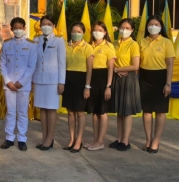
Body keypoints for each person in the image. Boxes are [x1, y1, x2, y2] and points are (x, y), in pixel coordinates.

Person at [139, 15, 175, 154]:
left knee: (160, 112)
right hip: (145, 77)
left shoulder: (166, 42)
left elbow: (170, 64)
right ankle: (148, 139)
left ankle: (156, 141)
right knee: (146, 111)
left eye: (156, 24)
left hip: (161, 78)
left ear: (161, 27)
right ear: (147, 26)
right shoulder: (142, 42)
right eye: (151, 24)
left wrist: (168, 83)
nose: (153, 26)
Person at [0, 17, 36, 151]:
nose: (18, 30)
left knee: (22, 112)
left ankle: (21, 138)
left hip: (23, 85)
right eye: (15, 28)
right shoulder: (7, 44)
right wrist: (8, 81)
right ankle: (9, 138)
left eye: (20, 27)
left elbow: (32, 66)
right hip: (9, 84)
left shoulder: (31, 45)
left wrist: (21, 82)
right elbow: (2, 64)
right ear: (11, 29)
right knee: (10, 112)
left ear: (24, 29)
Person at [32, 15, 66, 151]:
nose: (46, 26)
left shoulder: (59, 41)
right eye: (43, 24)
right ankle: (44, 137)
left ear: (53, 26)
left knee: (51, 109)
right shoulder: (35, 40)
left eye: (49, 24)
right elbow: (33, 61)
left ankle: (50, 138)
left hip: (53, 80)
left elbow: (62, 63)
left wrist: (61, 82)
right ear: (40, 26)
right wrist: (32, 80)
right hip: (39, 79)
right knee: (42, 109)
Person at [62, 21, 93, 153]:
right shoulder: (65, 46)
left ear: (83, 33)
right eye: (74, 31)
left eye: (79, 32)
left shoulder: (88, 47)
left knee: (80, 112)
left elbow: (90, 69)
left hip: (81, 80)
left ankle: (79, 140)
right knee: (70, 112)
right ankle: (71, 139)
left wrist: (87, 86)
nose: (76, 34)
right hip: (68, 79)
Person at [109, 18, 141, 152]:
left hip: (128, 78)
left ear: (132, 30)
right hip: (117, 78)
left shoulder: (133, 45)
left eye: (127, 28)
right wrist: (116, 70)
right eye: (122, 27)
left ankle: (126, 140)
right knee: (119, 111)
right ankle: (119, 138)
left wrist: (118, 70)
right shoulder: (114, 43)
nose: (124, 30)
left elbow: (135, 66)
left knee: (126, 111)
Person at [85, 21, 116, 152]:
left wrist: (108, 86)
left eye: (100, 30)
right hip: (91, 78)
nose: (97, 32)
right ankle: (95, 139)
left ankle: (101, 141)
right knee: (94, 112)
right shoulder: (88, 45)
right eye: (95, 30)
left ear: (105, 32)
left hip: (103, 78)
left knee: (102, 112)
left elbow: (110, 68)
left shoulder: (109, 47)